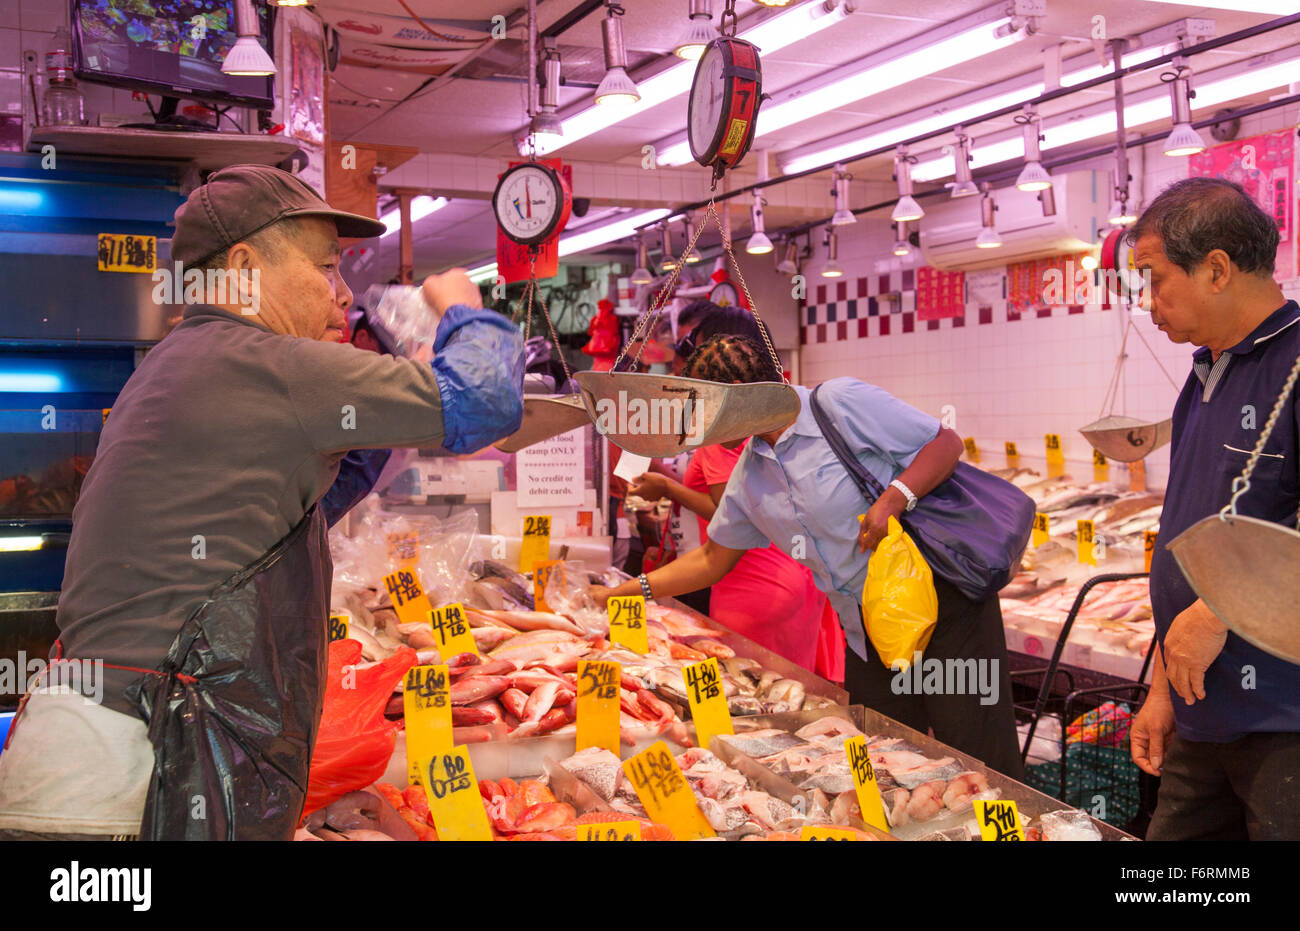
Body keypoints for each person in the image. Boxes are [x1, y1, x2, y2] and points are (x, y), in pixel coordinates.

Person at [0, 164, 524, 840]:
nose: (341, 295)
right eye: (325, 268)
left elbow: (291, 512)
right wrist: (463, 305)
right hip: (129, 779)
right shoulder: (260, 362)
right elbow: (487, 399)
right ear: (245, 266)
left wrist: (386, 403)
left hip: (94, 764)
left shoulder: (180, 363)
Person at [591, 334, 1023, 778]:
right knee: (889, 758)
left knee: (979, 756)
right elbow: (712, 558)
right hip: (865, 627)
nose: (707, 425)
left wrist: (895, 497)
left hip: (942, 604)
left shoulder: (838, 402)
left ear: (747, 398)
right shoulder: (750, 472)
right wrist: (628, 591)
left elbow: (945, 443)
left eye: (712, 410)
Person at [1127, 177, 1300, 840]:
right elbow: (1191, 540)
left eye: (1155, 279)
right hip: (1203, 710)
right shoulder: (1204, 376)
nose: (1149, 304)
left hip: (1284, 722)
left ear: (1219, 269)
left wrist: (1218, 608)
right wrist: (1163, 687)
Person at [627, 302, 845, 680]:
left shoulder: (725, 430)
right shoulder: (779, 420)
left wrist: (666, 487)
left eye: (698, 349)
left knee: (751, 699)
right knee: (791, 698)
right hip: (799, 580)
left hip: (752, 586)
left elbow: (727, 517)